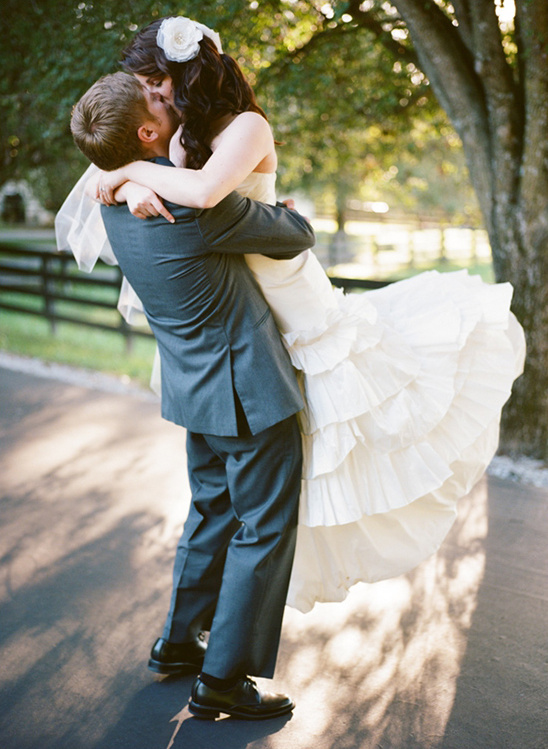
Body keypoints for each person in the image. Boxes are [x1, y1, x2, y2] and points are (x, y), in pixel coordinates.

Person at [58, 17, 526, 624]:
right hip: (241, 320)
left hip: (274, 297)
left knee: (340, 438)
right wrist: (124, 175)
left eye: (153, 81)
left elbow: (191, 187)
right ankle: (220, 670)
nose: (152, 92)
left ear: (180, 75)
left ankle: (192, 643)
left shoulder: (241, 128)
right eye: (146, 88)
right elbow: (161, 172)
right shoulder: (174, 153)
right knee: (260, 508)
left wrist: (126, 174)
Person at [70, 70, 316, 720]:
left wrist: (126, 174)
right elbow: (296, 235)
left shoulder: (112, 198)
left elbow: (138, 177)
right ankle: (222, 680)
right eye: (157, 97)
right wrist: (287, 209)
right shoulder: (192, 203)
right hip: (251, 395)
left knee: (210, 515)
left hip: (192, 390)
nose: (171, 96)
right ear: (148, 132)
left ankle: (177, 644)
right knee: (263, 528)